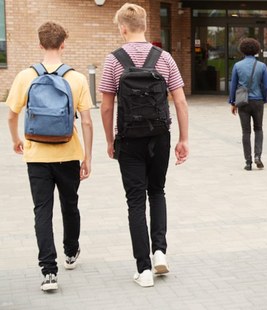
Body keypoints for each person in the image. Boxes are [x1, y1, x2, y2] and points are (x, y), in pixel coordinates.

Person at [99, 3, 190, 288]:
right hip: (159, 136)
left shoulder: (113, 60)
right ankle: (160, 251)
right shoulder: (164, 58)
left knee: (135, 201)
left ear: (122, 28)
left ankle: (144, 269)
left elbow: (105, 106)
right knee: (157, 191)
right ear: (146, 26)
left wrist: (109, 139)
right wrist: (183, 139)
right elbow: (180, 101)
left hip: (128, 138)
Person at [5, 21, 93, 291]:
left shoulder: (24, 76)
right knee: (70, 205)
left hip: (36, 157)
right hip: (68, 155)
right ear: (63, 43)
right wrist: (87, 157)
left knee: (42, 211)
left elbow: (11, 115)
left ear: (40, 44)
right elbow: (87, 122)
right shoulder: (76, 78)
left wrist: (17, 140)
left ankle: (49, 273)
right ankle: (70, 251)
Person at [228, 38, 267, 171]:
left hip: (242, 102)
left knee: (246, 132)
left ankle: (248, 162)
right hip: (258, 101)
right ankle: (258, 156)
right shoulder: (262, 66)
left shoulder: (237, 66)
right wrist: (264, 98)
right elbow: (266, 86)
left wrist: (233, 102)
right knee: (258, 129)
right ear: (256, 50)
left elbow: (233, 85)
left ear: (242, 50)